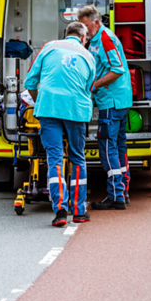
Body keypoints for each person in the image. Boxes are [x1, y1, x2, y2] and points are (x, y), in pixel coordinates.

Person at [23, 22, 97, 227]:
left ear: (66, 35)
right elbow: (89, 87)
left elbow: (30, 83)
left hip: (49, 108)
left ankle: (60, 211)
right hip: (76, 110)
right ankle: (79, 211)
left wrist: (41, 102)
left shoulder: (49, 47)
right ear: (83, 38)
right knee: (77, 158)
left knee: (54, 158)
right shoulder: (88, 56)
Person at [78, 5, 133, 210]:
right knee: (119, 147)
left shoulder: (105, 38)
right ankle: (123, 191)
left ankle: (116, 195)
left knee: (108, 148)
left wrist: (93, 86)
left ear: (96, 21)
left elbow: (117, 69)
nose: (84, 31)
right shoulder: (97, 38)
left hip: (112, 101)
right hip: (117, 100)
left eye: (85, 26)